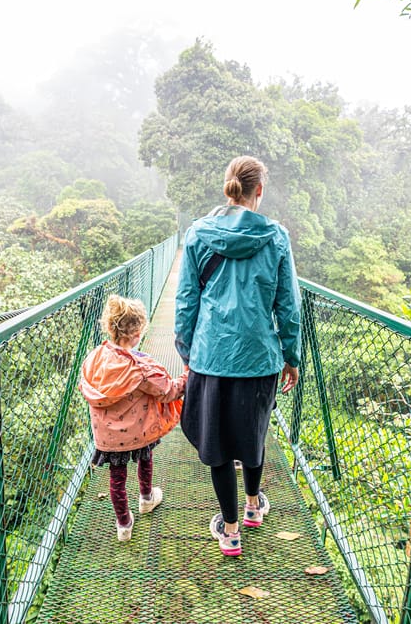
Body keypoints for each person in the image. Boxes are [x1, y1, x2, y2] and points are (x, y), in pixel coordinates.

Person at [175, 155, 301, 557]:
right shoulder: (277, 236)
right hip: (260, 358)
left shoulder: (197, 233)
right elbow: (288, 305)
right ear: (258, 191)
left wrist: (186, 351)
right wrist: (291, 355)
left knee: (217, 442)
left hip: (211, 356)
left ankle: (230, 531)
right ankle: (252, 507)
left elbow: (185, 302)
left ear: (227, 186)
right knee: (253, 433)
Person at [80, 294, 187, 541]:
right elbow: (168, 391)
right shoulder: (139, 369)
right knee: (145, 458)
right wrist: (187, 377)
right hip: (138, 431)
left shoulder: (94, 358)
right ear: (138, 333)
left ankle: (124, 524)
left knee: (117, 478)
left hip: (107, 436)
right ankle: (147, 498)